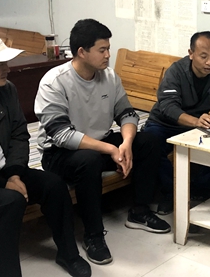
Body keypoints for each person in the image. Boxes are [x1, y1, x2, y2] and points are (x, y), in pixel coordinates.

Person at [35, 19, 170, 266]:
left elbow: (127, 113)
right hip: (59, 153)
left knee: (149, 141)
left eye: (109, 48)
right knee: (88, 160)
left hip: (99, 142)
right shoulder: (55, 82)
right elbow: (61, 135)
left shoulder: (109, 76)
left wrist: (126, 143)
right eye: (102, 50)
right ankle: (93, 235)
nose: (108, 55)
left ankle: (140, 211)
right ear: (81, 52)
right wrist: (111, 149)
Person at [0, 32, 90, 277]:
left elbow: (19, 134)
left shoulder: (7, 90)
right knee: (10, 201)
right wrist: (1, 183)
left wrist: (14, 173)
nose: (7, 69)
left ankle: (69, 255)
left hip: (3, 171)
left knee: (54, 185)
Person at [142, 31, 210, 214]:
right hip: (165, 124)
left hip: (199, 124)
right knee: (151, 144)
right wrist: (196, 121)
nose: (209, 62)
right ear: (191, 53)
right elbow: (168, 107)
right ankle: (172, 193)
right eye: (203, 56)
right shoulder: (176, 71)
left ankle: (200, 188)